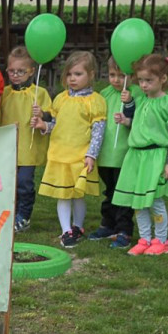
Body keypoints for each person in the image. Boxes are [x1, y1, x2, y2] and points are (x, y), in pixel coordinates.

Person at [31, 50, 107, 248]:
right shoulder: (61, 98)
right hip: (59, 154)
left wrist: (92, 155)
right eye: (69, 74)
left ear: (91, 75)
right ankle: (65, 231)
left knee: (78, 194)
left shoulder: (95, 101)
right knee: (62, 194)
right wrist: (44, 126)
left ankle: (77, 226)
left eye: (78, 74)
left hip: (80, 156)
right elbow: (56, 124)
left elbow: (99, 131)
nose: (72, 79)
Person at [112, 54, 168, 256]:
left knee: (155, 201)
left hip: (155, 157)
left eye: (149, 80)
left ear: (162, 79)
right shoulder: (141, 100)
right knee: (138, 201)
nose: (143, 85)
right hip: (136, 157)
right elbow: (139, 125)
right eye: (141, 80)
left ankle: (161, 241)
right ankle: (144, 239)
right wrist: (126, 121)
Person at [90, 56, 143, 249]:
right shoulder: (104, 93)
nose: (116, 80)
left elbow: (138, 118)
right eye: (112, 75)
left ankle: (124, 230)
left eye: (121, 76)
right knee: (110, 191)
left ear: (131, 75)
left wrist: (129, 103)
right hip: (106, 155)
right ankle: (108, 224)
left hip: (124, 154)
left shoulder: (137, 93)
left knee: (123, 194)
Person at [0, 45, 50, 233]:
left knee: (24, 183)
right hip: (9, 147)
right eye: (12, 71)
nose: (16, 75)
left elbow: (51, 118)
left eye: (21, 71)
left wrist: (41, 115)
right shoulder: (4, 94)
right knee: (9, 184)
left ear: (31, 71)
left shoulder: (39, 93)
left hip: (28, 147)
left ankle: (24, 216)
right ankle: (12, 214)